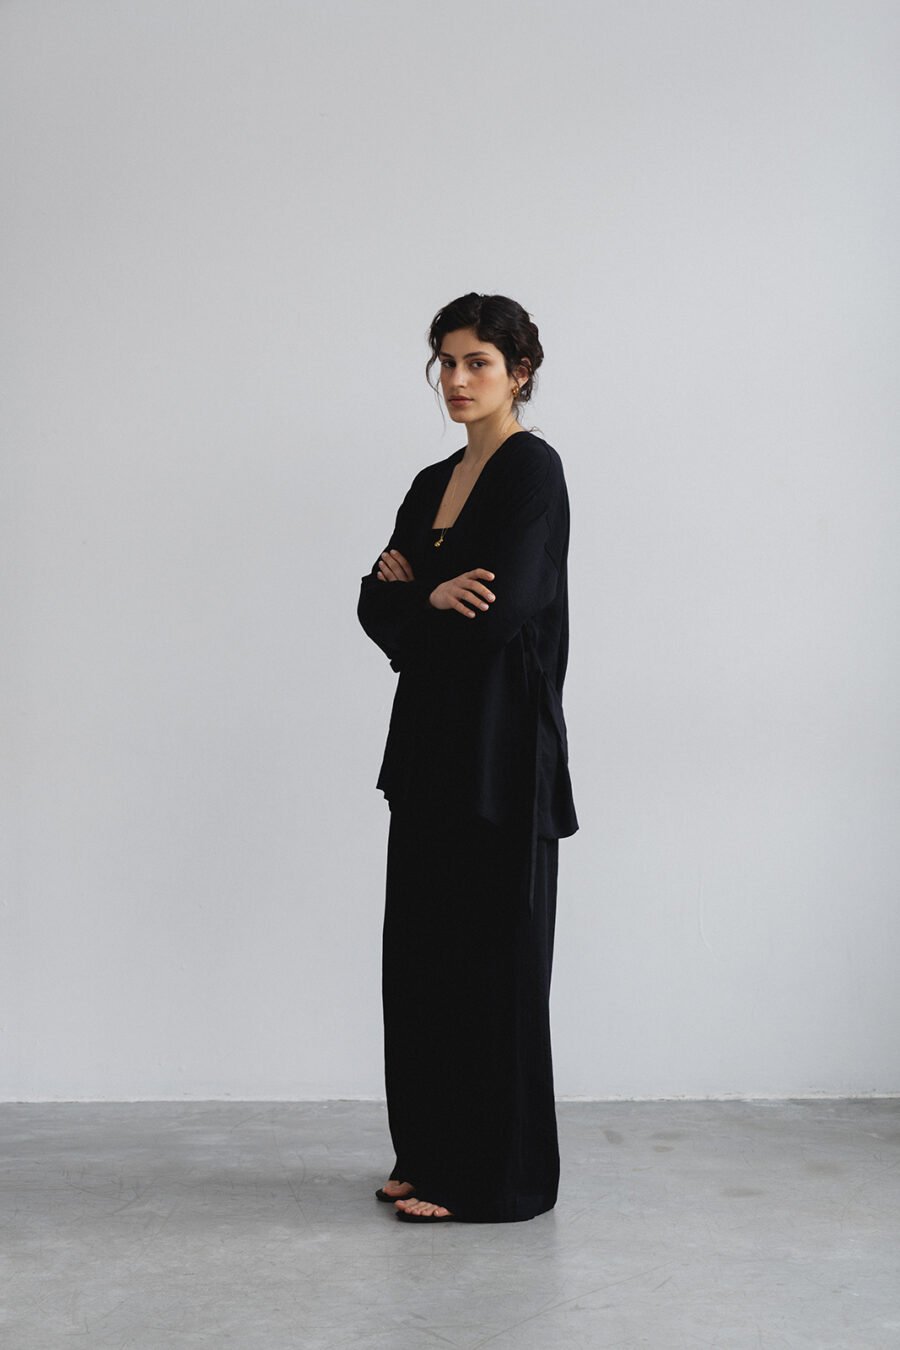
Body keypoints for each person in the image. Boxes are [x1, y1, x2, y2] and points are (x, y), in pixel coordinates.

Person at [357, 292, 577, 1224]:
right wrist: (423, 598)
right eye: (445, 362)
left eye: (477, 362)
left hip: (501, 751)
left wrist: (420, 598)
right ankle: (428, 1154)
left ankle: (494, 1179)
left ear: (518, 372)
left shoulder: (532, 471)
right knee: (421, 960)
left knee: (493, 969)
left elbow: (501, 608)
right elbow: (372, 603)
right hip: (428, 750)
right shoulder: (429, 481)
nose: (456, 379)